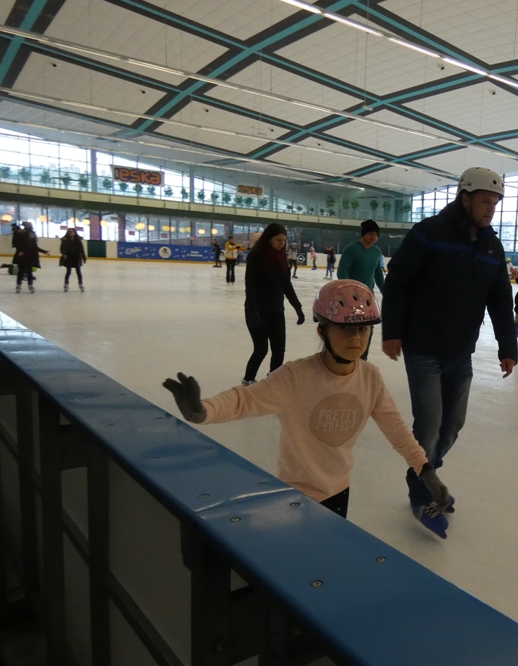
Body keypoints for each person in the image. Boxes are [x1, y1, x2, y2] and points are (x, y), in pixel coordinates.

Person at [163, 280, 453, 538]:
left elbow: (396, 429)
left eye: (363, 329)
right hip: (294, 494)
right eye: (344, 329)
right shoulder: (296, 377)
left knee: (327, 559)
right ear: (322, 331)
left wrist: (425, 470)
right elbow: (244, 400)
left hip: (339, 490)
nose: (355, 338)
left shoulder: (370, 378)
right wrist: (204, 410)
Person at [382, 167, 517, 486]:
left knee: (453, 425)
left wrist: (508, 347)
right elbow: (398, 280)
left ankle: (427, 470)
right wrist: (393, 331)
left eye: (495, 203)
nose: (491, 209)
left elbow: (500, 300)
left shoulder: (492, 247)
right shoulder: (430, 232)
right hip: (423, 347)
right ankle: (423, 484)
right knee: (428, 425)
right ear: (465, 198)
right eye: (485, 201)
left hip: (461, 352)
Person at [242, 223, 305, 386]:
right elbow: (250, 287)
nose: (281, 244)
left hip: (276, 311)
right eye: (278, 240)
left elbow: (286, 286)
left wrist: (298, 308)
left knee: (279, 350)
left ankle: (273, 383)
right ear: (269, 239)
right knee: (261, 349)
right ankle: (248, 380)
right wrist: (253, 312)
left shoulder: (281, 258)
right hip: (258, 311)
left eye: (284, 240)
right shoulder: (256, 256)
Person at [337, 220, 388, 360]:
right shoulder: (352, 249)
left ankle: (362, 359)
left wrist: (386, 293)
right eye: (371, 233)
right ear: (364, 233)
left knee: (367, 329)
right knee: (350, 329)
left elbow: (378, 274)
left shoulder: (376, 252)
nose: (374, 236)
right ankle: (346, 359)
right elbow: (342, 271)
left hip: (367, 298)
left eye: (376, 234)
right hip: (351, 298)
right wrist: (350, 291)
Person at [13, 222, 48, 293]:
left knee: (29, 271)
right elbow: (18, 244)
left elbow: (35, 247)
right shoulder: (21, 233)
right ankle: (19, 285)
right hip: (22, 256)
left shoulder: (32, 234)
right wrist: (20, 251)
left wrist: (44, 251)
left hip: (30, 256)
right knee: (21, 271)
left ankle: (30, 284)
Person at [60, 228, 86, 292]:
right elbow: (62, 248)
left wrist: (84, 257)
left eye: (72, 232)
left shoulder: (78, 240)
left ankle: (80, 284)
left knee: (78, 271)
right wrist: (64, 254)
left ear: (74, 232)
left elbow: (81, 249)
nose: (70, 233)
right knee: (68, 271)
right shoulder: (65, 240)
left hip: (76, 257)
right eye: (69, 232)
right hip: (69, 257)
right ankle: (66, 284)